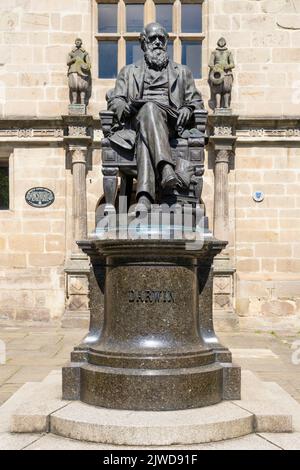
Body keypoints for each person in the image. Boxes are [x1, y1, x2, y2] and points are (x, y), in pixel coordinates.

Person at [107, 22, 204, 210]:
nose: (158, 42)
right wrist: (124, 108)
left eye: (162, 38)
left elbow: (196, 102)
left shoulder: (183, 72)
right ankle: (166, 169)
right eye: (153, 38)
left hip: (172, 124)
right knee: (148, 111)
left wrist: (188, 109)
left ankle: (144, 198)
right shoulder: (128, 72)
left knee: (146, 129)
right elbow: (115, 101)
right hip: (136, 122)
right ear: (144, 43)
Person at [67, 38, 91, 106]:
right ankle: (74, 101)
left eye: (79, 41)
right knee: (73, 86)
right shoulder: (71, 52)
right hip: (73, 70)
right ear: (75, 42)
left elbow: (88, 63)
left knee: (82, 87)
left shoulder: (84, 53)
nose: (77, 42)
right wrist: (74, 58)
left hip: (82, 71)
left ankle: (82, 101)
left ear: (81, 43)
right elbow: (68, 62)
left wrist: (85, 65)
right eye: (76, 41)